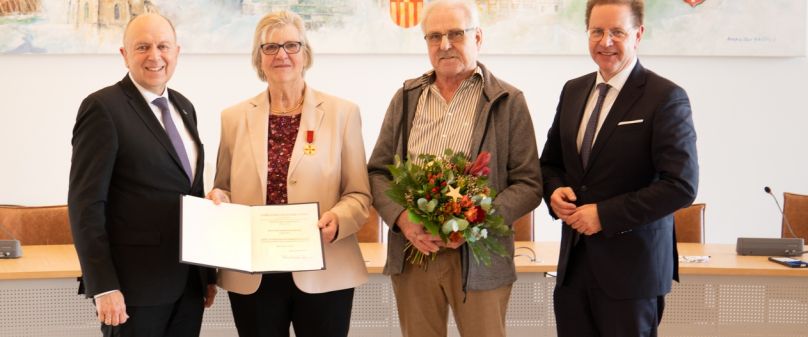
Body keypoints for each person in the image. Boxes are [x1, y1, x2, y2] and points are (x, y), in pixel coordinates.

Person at [367, 1, 542, 336]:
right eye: (434, 36)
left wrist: (473, 221)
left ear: (478, 37)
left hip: (479, 257)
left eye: (455, 34)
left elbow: (529, 183)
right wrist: (404, 219)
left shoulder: (508, 100)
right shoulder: (405, 97)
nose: (444, 45)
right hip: (414, 253)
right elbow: (378, 172)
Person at [206, 10, 371, 337]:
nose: (282, 54)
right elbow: (222, 187)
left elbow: (359, 194)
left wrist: (339, 218)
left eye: (292, 45)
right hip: (254, 273)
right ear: (259, 58)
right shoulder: (233, 118)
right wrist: (218, 198)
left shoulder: (342, 113)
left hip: (325, 268)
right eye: (270, 47)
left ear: (305, 54)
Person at [539, 0, 699, 336]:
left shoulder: (666, 97)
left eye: (617, 32)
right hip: (573, 270)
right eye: (597, 31)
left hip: (632, 275)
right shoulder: (573, 90)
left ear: (638, 34)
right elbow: (550, 163)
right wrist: (553, 191)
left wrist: (604, 215)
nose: (605, 42)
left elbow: (680, 185)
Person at [68, 13, 216, 337]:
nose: (155, 56)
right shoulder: (102, 108)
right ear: (124, 55)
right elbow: (85, 205)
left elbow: (192, 190)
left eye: (163, 46)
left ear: (177, 51)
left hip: (188, 287)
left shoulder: (185, 107)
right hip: (133, 291)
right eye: (142, 47)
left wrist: (208, 274)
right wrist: (103, 286)